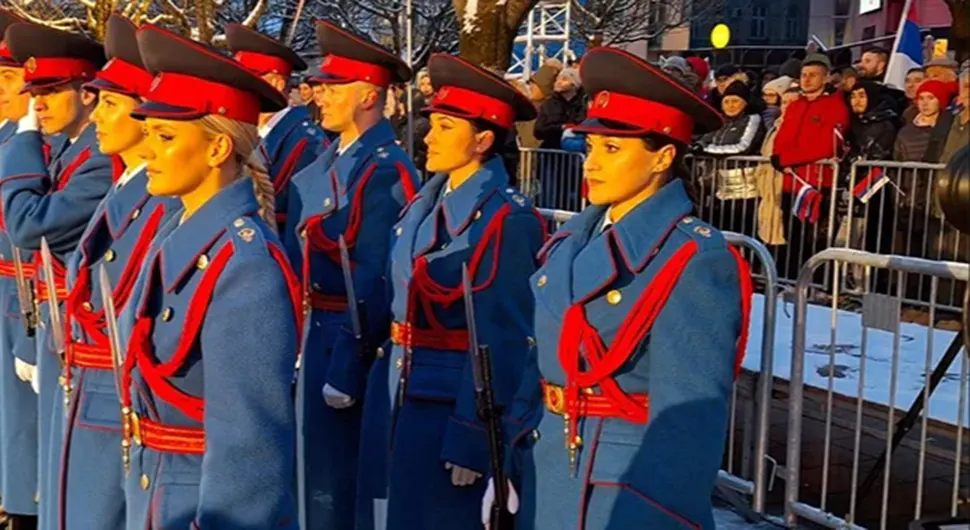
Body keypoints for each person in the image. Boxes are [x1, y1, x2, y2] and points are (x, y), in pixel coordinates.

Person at [492, 46, 752, 530]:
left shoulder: (693, 258)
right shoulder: (573, 238)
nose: (591, 163)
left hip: (620, 492)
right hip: (546, 464)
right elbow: (542, 361)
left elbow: (688, 418)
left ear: (663, 157)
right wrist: (509, 457)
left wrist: (659, 513)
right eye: (591, 147)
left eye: (612, 149)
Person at [118, 23, 300, 529]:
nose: (147, 149)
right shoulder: (179, 231)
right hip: (159, 485)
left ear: (218, 149)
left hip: (201, 499)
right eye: (149, 133)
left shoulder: (244, 265)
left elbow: (249, 442)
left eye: (166, 136)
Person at [377, 52, 545, 530]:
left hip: (450, 404)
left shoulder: (503, 219)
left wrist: (475, 435)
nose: (428, 136)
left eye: (446, 127)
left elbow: (505, 338)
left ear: (483, 140)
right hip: (404, 388)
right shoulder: (428, 200)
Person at [285, 21, 419, 530]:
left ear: (368, 95)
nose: (320, 95)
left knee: (334, 484)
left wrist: (346, 363)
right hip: (313, 333)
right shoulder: (334, 156)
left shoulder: (384, 169)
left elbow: (376, 278)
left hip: (347, 341)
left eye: (333, 87)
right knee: (310, 475)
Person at [55, 15, 180, 530]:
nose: (97, 115)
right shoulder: (125, 187)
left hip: (118, 400)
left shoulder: (156, 202)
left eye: (110, 103)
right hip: (92, 387)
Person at [0, 22, 112, 530]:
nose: (36, 106)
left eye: (48, 92)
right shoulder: (71, 151)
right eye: (33, 94)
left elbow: (27, 225)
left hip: (80, 326)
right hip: (51, 317)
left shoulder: (99, 160)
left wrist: (23, 138)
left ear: (88, 92)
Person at [227, 24, 326, 235]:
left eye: (246, 79)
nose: (237, 88)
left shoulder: (307, 143)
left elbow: (303, 225)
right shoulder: (249, 132)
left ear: (276, 83)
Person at [0, 9, 39, 530]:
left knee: (22, 422)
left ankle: (21, 504)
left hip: (21, 295)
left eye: (8, 79)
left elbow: (31, 233)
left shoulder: (28, 143)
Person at [894, 79, 957, 163]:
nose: (925, 103)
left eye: (930, 98)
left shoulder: (951, 129)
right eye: (921, 98)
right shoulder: (905, 132)